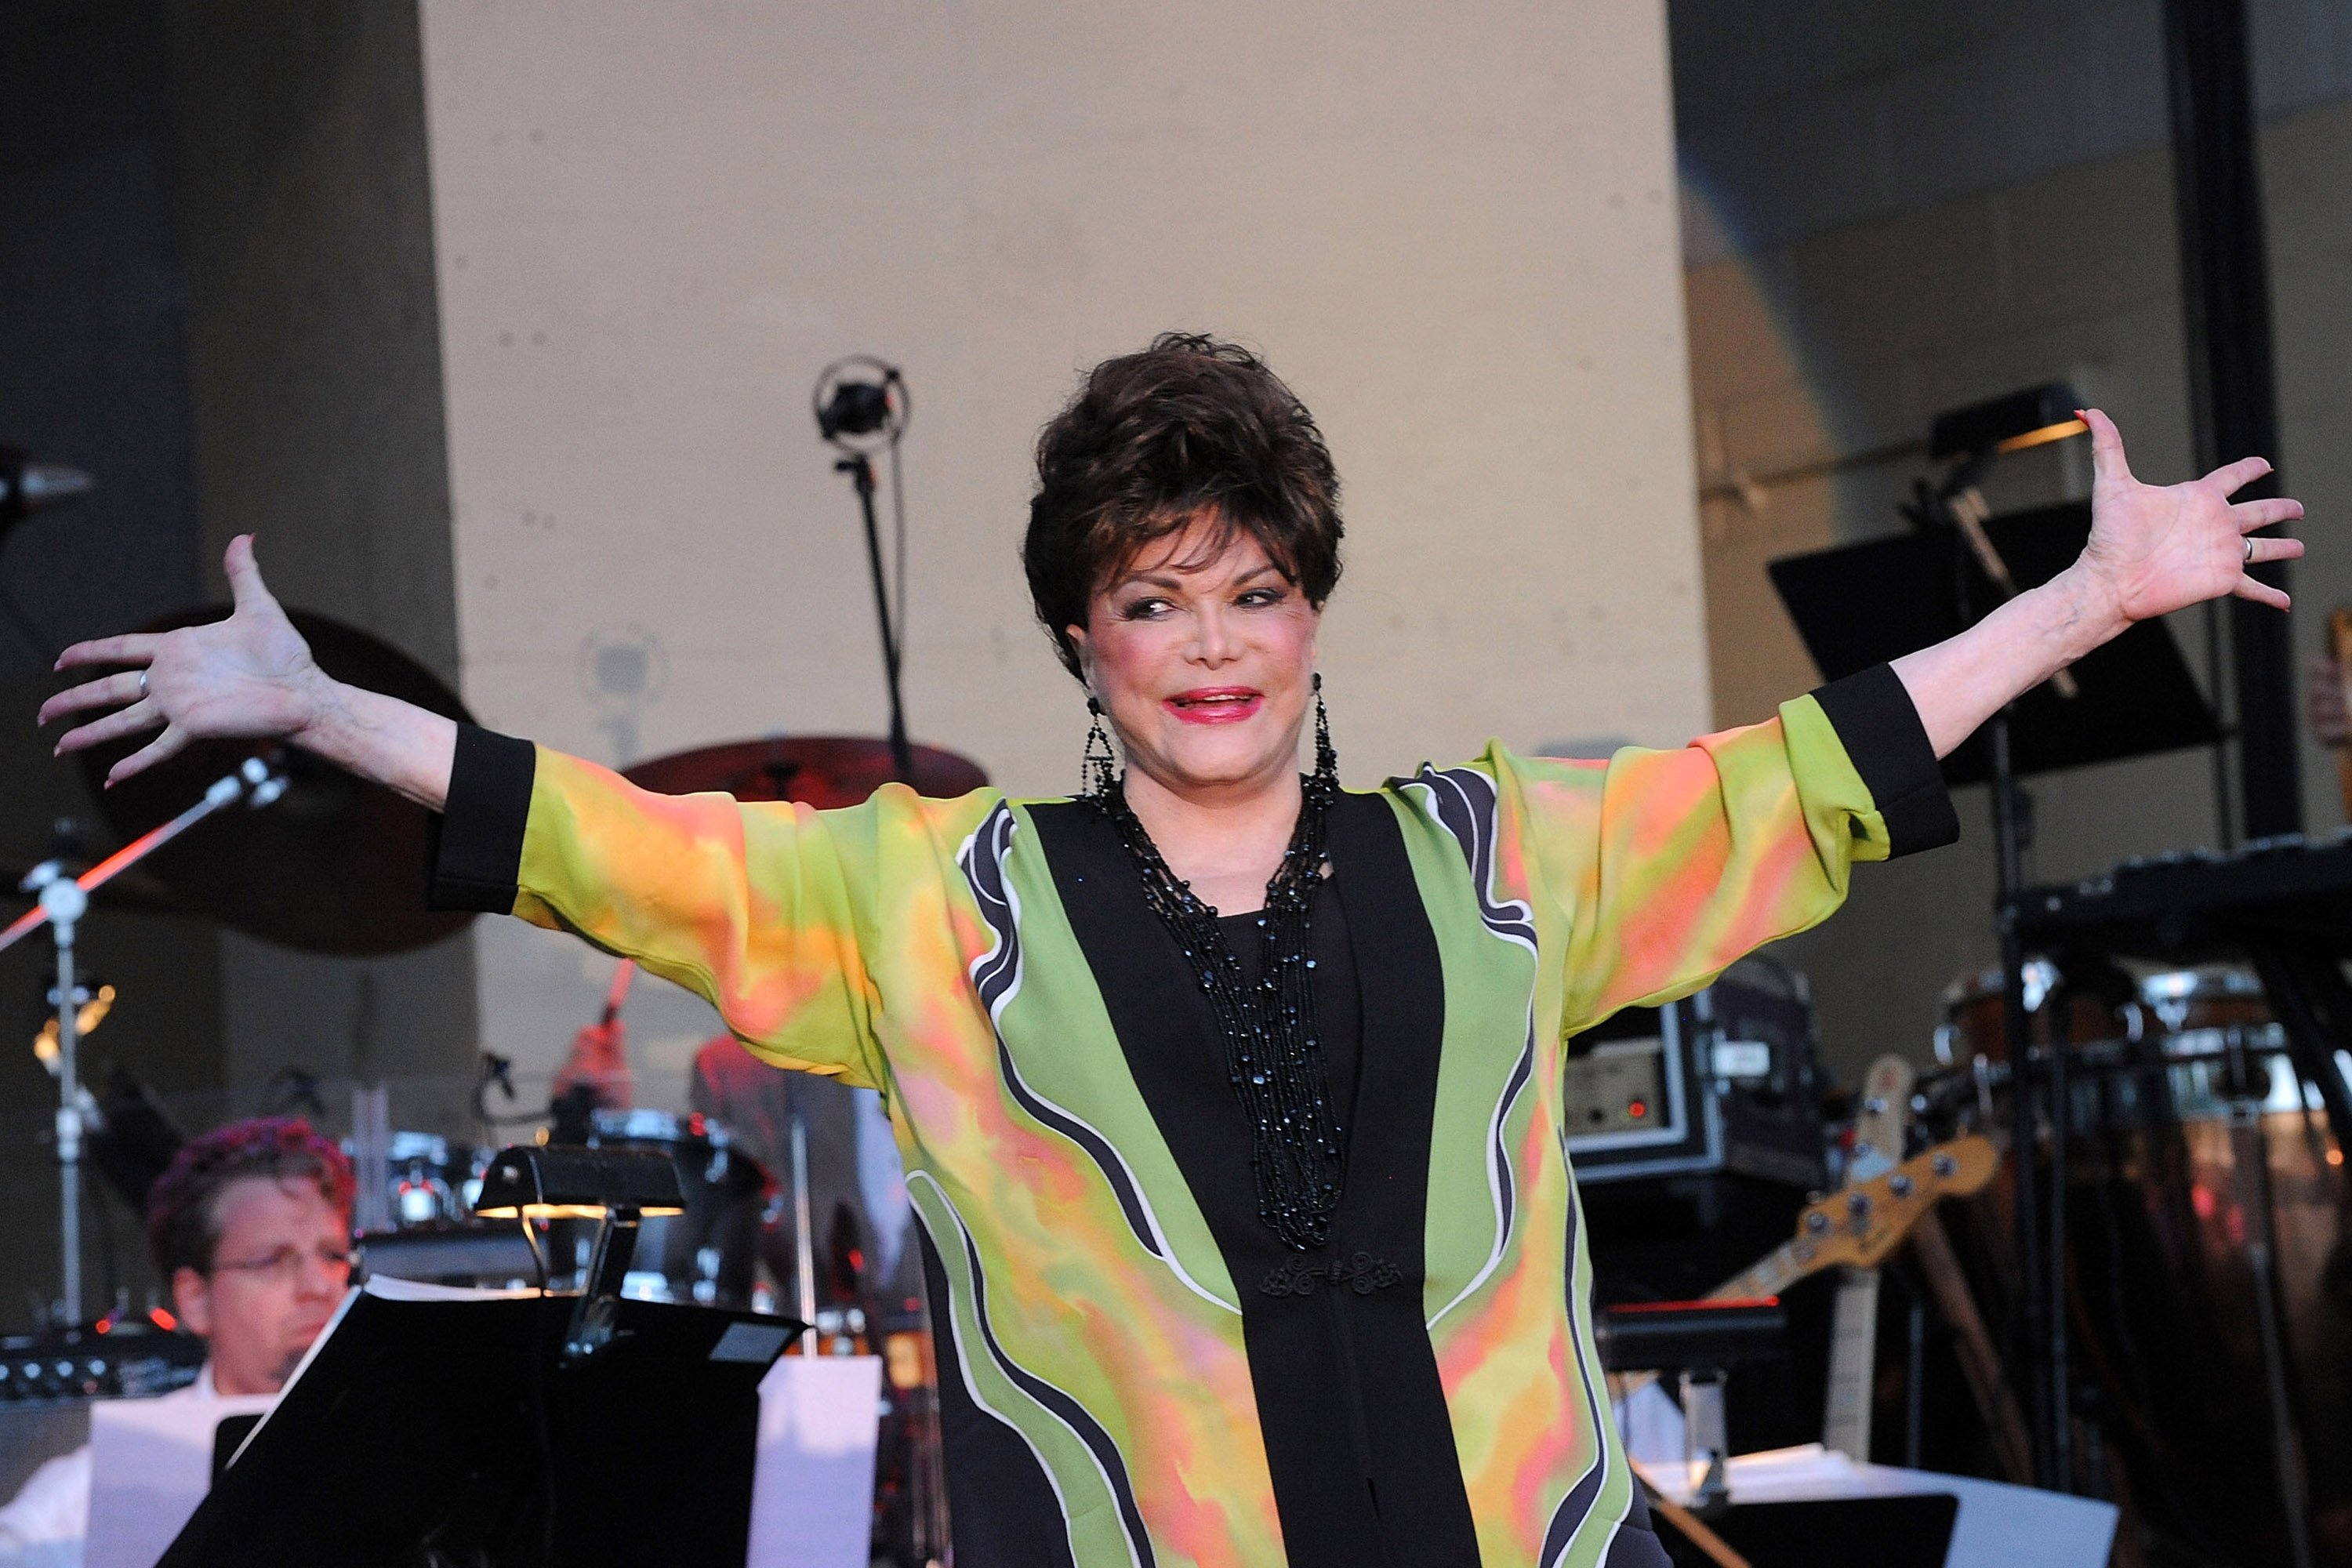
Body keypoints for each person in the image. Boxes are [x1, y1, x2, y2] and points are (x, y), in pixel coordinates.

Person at [39, 336, 2303, 1566]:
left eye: (1251, 590)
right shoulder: (936, 896)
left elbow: (1808, 769)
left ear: (1311, 613)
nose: (1209, 645)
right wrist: (331, 713)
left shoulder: (1497, 859)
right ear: (1079, 634)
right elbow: (609, 846)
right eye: (1153, 596)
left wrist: (2093, 598)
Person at [0, 1118, 354, 1566]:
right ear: (196, 1299)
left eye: (333, 1256)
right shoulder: (94, 1497)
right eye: (273, 1261)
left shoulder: (412, 1455)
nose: (321, 1286)